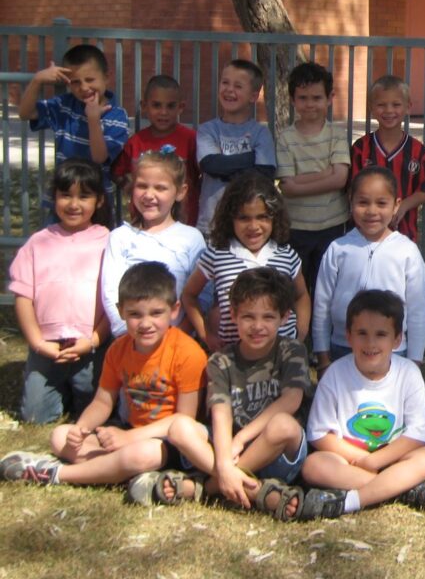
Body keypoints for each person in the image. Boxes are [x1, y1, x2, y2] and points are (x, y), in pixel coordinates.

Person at [137, 268, 338, 519]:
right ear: (232, 315)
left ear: (285, 317)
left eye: (268, 317)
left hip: (274, 451)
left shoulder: (291, 350)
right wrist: (223, 461)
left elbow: (291, 400)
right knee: (180, 427)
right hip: (228, 449)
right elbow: (221, 414)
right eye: (248, 317)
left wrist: (241, 439)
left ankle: (206, 487)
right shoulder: (221, 361)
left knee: (284, 425)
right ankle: (254, 489)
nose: (257, 326)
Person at [0, 262, 207, 487]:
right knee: (60, 437)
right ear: (120, 312)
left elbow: (183, 421)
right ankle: (120, 471)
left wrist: (129, 438)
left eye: (156, 313)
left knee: (141, 454)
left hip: (170, 443)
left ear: (174, 310)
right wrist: (81, 430)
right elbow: (102, 402)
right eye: (135, 314)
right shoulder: (118, 349)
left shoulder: (188, 352)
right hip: (129, 432)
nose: (146, 323)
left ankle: (57, 474)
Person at [301, 289, 425, 516]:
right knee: (313, 466)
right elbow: (319, 434)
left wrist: (377, 460)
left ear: (397, 339)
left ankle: (351, 500)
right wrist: (363, 459)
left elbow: (417, 435)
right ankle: (403, 489)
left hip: (395, 458)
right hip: (350, 461)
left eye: (380, 334)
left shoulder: (408, 373)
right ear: (348, 335)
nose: (370, 343)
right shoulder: (335, 374)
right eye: (362, 333)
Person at [8, 160, 111, 424]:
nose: (74, 204)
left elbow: (115, 300)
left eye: (84, 196)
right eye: (65, 195)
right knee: (34, 416)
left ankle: (73, 390)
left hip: (90, 346)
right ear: (54, 197)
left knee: (93, 409)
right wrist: (38, 343)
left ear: (99, 201)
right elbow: (23, 297)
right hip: (47, 346)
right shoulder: (37, 243)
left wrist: (94, 340)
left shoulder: (109, 241)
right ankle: (56, 387)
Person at [312, 167, 425, 372]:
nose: (372, 211)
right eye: (363, 202)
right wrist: (322, 355)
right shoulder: (338, 249)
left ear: (396, 205)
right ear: (351, 202)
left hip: (392, 351)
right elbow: (322, 304)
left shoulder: (407, 251)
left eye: (381, 203)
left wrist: (415, 361)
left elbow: (418, 309)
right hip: (343, 347)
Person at [181, 172, 310, 351]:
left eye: (262, 217)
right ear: (230, 218)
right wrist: (206, 333)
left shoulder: (286, 255)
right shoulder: (217, 254)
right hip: (234, 361)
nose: (253, 226)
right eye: (244, 218)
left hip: (282, 358)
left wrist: (300, 334)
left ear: (275, 217)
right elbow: (189, 295)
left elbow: (301, 295)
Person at [18, 43, 129, 222]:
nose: (84, 88)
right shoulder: (64, 105)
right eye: (75, 82)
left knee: (97, 249)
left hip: (97, 203)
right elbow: (25, 113)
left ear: (106, 77)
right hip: (63, 198)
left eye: (90, 79)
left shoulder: (117, 115)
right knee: (56, 247)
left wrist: (93, 119)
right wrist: (37, 80)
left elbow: (100, 157)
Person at [100, 149, 206, 339]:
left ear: (180, 192)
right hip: (130, 341)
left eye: (160, 188)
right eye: (142, 186)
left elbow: (202, 295)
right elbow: (111, 292)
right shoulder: (120, 237)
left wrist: (178, 336)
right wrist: (127, 335)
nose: (149, 195)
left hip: (176, 343)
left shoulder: (192, 238)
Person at [276, 62, 351, 290]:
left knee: (325, 287)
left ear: (330, 98)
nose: (310, 104)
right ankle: (299, 327)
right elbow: (287, 187)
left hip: (332, 225)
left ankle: (321, 328)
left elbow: (340, 179)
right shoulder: (285, 138)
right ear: (292, 99)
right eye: (303, 97)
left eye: (317, 98)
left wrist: (301, 180)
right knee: (296, 288)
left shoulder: (337, 135)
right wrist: (325, 174)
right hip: (296, 227)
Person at [349, 75, 425, 243]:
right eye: (381, 105)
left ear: (408, 107)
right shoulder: (361, 148)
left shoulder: (418, 151)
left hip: (404, 235)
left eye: (396, 104)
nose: (389, 110)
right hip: (364, 235)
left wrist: (403, 205)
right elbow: (351, 189)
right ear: (371, 108)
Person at [196, 58, 275, 235]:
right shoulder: (207, 130)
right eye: (225, 83)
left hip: (248, 227)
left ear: (253, 96)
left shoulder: (261, 133)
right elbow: (210, 165)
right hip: (211, 225)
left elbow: (265, 174)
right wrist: (249, 159)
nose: (229, 90)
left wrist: (224, 168)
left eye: (238, 86)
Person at [112, 74, 200, 227]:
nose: (163, 112)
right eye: (157, 105)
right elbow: (117, 173)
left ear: (181, 107)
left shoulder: (191, 139)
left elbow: (202, 176)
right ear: (144, 106)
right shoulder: (136, 142)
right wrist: (134, 190)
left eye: (171, 106)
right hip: (144, 224)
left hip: (184, 222)